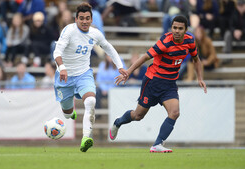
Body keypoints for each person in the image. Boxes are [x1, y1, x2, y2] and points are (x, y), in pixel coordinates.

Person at [109, 15, 207, 153]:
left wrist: (200, 78)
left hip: (170, 84)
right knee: (138, 115)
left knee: (175, 112)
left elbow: (196, 59)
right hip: (153, 82)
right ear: (171, 27)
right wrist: (128, 72)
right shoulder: (165, 42)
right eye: (174, 27)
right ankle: (118, 122)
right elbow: (144, 57)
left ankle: (157, 144)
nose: (177, 31)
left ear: (185, 30)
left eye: (180, 28)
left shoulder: (190, 40)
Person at [53, 2, 128, 152]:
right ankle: (70, 112)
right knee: (67, 114)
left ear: (91, 19)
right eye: (81, 18)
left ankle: (86, 137)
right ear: (76, 19)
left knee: (91, 101)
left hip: (83, 74)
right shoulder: (68, 31)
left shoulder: (95, 33)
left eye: (87, 18)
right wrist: (62, 68)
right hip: (64, 76)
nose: (85, 21)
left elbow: (109, 48)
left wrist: (120, 66)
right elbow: (57, 52)